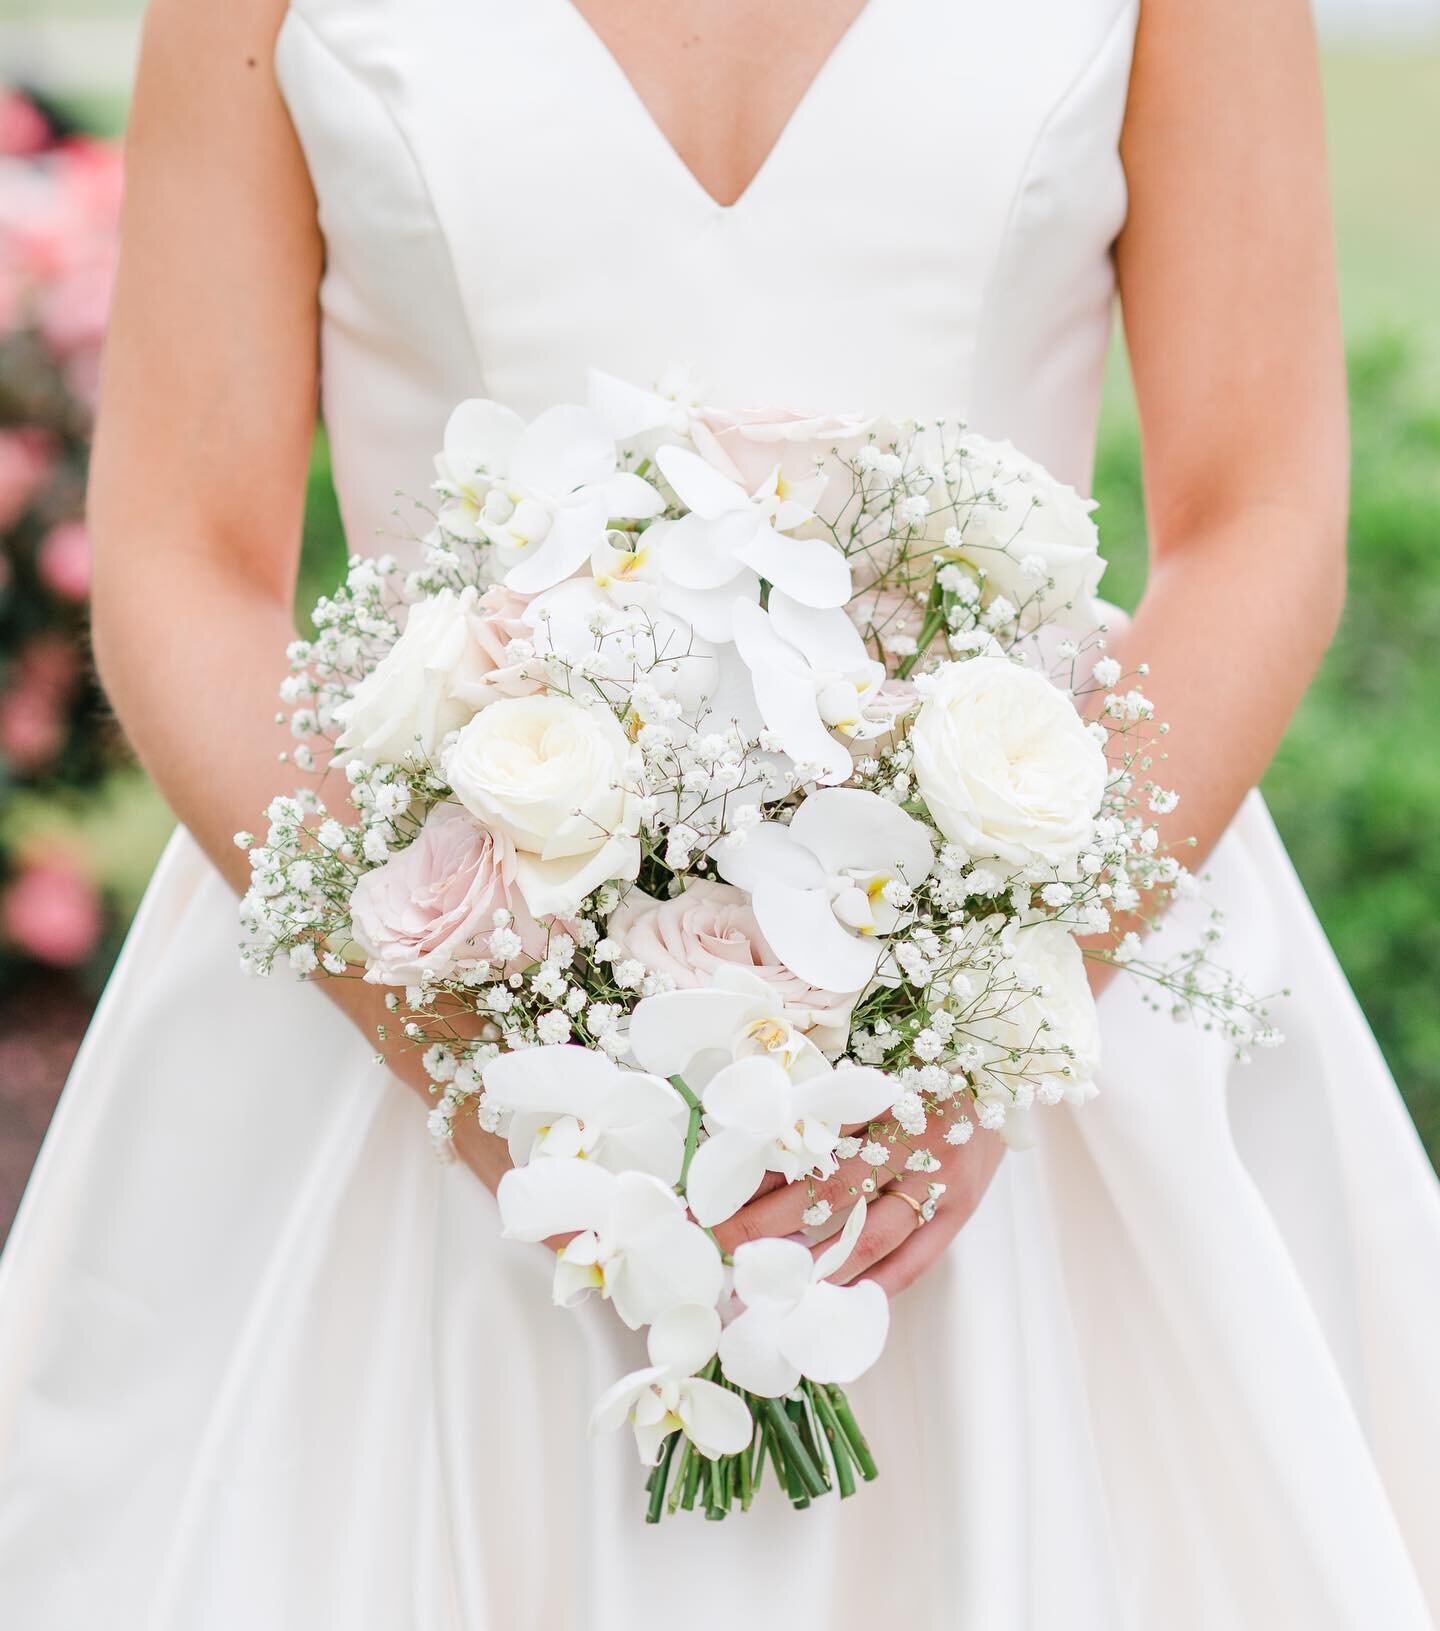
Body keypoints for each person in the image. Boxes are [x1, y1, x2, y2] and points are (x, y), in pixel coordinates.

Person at [2, 1, 1438, 1624]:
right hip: (408, 1003)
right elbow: (182, 562)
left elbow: (1257, 511)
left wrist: (981, 1029)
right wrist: (482, 1060)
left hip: (1029, 1026)